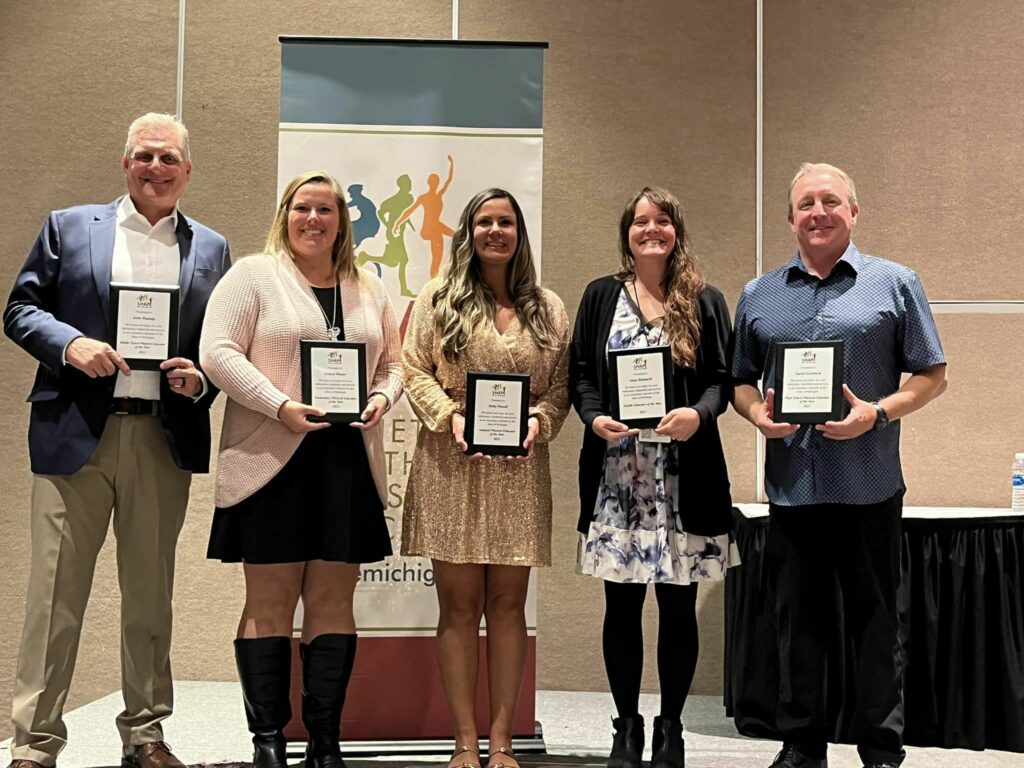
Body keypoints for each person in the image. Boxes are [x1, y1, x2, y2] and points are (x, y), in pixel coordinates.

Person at [3, 113, 230, 768]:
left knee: (150, 597)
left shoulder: (212, 248)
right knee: (54, 598)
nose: (155, 167)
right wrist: (69, 344)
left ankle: (145, 736)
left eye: (168, 158)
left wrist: (203, 379)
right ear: (124, 162)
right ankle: (34, 744)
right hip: (75, 434)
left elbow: (223, 345)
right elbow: (20, 309)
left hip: (163, 439)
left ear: (188, 170)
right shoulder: (69, 227)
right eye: (143, 155)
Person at [731, 163, 948, 768]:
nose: (818, 212)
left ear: (854, 211)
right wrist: (757, 417)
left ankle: (881, 749)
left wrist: (876, 413)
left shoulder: (895, 283)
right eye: (806, 203)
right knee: (796, 625)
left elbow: (933, 375)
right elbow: (739, 381)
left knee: (879, 627)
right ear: (790, 218)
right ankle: (802, 744)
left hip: (870, 486)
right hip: (793, 488)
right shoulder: (759, 294)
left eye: (831, 201)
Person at [199, 171, 403, 768]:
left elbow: (392, 363)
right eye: (302, 208)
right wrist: (279, 405)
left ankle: (324, 742)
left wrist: (382, 400)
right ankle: (268, 743)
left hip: (345, 460)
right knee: (270, 601)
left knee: (335, 600)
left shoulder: (367, 286)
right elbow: (217, 352)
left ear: (343, 220)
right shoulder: (253, 276)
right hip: (271, 457)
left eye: (326, 210)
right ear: (285, 213)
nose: (313, 219)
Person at [401, 189, 570, 768]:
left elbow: (560, 388)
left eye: (506, 221)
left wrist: (539, 423)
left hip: (518, 471)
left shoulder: (548, 306)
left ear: (520, 232)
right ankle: (465, 741)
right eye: (483, 221)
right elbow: (413, 368)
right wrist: (450, 416)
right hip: (451, 464)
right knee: (458, 606)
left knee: (507, 604)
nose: (495, 231)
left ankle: (502, 740)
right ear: (467, 231)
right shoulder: (437, 298)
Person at [569, 187, 737, 768]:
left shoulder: (705, 300)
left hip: (685, 481)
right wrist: (593, 419)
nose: (651, 230)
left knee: (676, 607)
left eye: (662, 220)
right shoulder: (599, 297)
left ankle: (671, 728)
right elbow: (582, 374)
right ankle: (627, 728)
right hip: (619, 481)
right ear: (627, 233)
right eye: (641, 221)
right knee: (620, 607)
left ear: (676, 231)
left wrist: (698, 414)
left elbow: (723, 379)